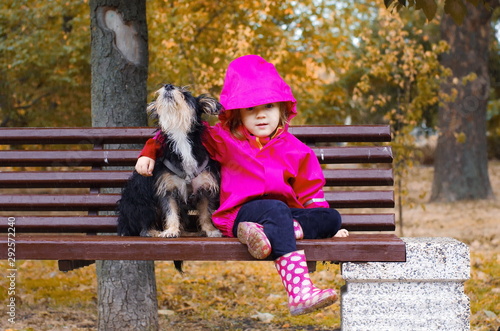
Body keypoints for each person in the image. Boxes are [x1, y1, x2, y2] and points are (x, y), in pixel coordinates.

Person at [136, 55, 349, 316]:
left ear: (281, 109)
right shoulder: (225, 140)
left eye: (269, 106)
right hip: (240, 213)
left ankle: (269, 232)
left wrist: (325, 226)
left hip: (282, 214)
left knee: (331, 216)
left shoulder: (297, 150)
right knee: (274, 208)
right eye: (251, 109)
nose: (261, 115)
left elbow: (311, 192)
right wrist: (148, 151)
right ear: (238, 113)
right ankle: (299, 292)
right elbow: (180, 131)